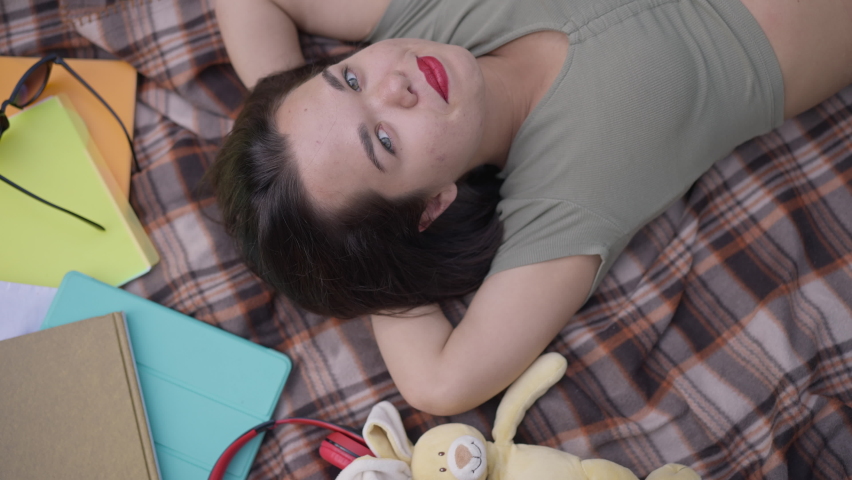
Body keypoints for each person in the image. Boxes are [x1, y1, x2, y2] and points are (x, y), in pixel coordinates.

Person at [210, 0, 852, 416]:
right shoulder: (567, 198)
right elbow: (439, 381)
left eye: (347, 79)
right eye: (382, 142)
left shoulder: (423, 20)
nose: (392, 86)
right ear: (429, 208)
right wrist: (381, 266)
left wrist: (277, 117)